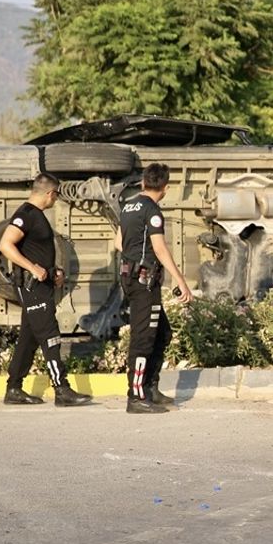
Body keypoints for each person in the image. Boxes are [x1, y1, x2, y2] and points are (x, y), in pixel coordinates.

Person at [0, 173, 92, 407]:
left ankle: (13, 389)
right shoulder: (26, 215)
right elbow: (5, 245)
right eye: (57, 195)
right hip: (33, 287)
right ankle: (62, 390)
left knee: (28, 339)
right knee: (50, 336)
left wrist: (53, 271)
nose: (56, 199)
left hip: (42, 283)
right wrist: (33, 268)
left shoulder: (35, 216)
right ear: (50, 193)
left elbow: (36, 251)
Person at [116, 163, 193, 414]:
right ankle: (136, 396)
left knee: (162, 333)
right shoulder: (152, 210)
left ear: (142, 183)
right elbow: (159, 248)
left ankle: (150, 388)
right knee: (143, 339)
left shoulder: (128, 205)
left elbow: (119, 242)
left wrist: (135, 254)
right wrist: (180, 280)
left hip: (130, 277)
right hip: (143, 282)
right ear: (166, 188)